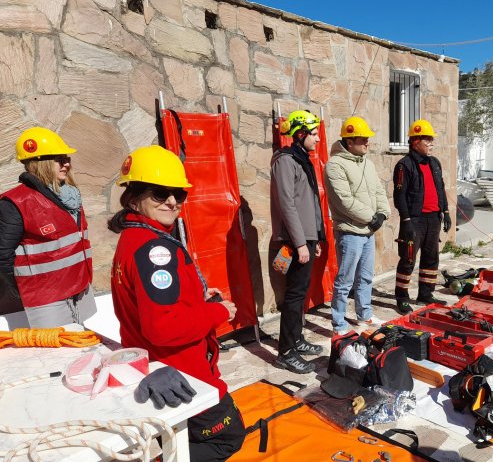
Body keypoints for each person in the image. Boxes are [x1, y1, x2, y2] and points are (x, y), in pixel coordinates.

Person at [108, 145, 245, 461]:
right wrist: (217, 311)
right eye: (160, 193)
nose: (172, 201)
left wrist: (197, 298)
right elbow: (163, 327)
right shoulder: (155, 250)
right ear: (134, 197)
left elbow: (152, 301)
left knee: (178, 440)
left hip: (159, 369)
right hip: (182, 373)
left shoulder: (134, 237)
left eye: (178, 194)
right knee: (227, 437)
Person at [0, 127, 95, 327]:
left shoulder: (70, 195)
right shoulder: (15, 203)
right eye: (59, 159)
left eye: (67, 158)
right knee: (57, 346)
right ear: (40, 163)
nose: (66, 164)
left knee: (81, 340)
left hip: (80, 288)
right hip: (47, 299)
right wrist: (24, 287)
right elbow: (3, 254)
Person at [270, 110, 325, 374]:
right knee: (293, 296)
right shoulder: (285, 161)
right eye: (313, 134)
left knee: (300, 293)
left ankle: (297, 339)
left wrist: (316, 237)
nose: (318, 139)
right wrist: (301, 242)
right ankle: (286, 352)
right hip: (295, 239)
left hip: (307, 236)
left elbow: (310, 202)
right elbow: (287, 204)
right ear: (300, 134)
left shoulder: (303, 159)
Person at [324, 116, 390, 335]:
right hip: (350, 232)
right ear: (349, 141)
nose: (367, 143)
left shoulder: (367, 164)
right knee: (345, 280)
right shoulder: (334, 165)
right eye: (363, 139)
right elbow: (343, 200)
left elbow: (379, 191)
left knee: (365, 277)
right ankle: (339, 323)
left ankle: (365, 313)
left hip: (368, 231)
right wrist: (371, 217)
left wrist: (383, 213)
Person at [393, 119, 452, 314]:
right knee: (408, 259)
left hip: (433, 219)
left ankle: (425, 294)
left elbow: (441, 189)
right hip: (414, 220)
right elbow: (399, 196)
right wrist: (406, 221)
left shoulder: (435, 163)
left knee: (431, 258)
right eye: (427, 139)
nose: (431, 143)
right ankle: (402, 298)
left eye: (431, 139)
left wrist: (445, 212)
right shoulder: (404, 165)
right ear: (415, 142)